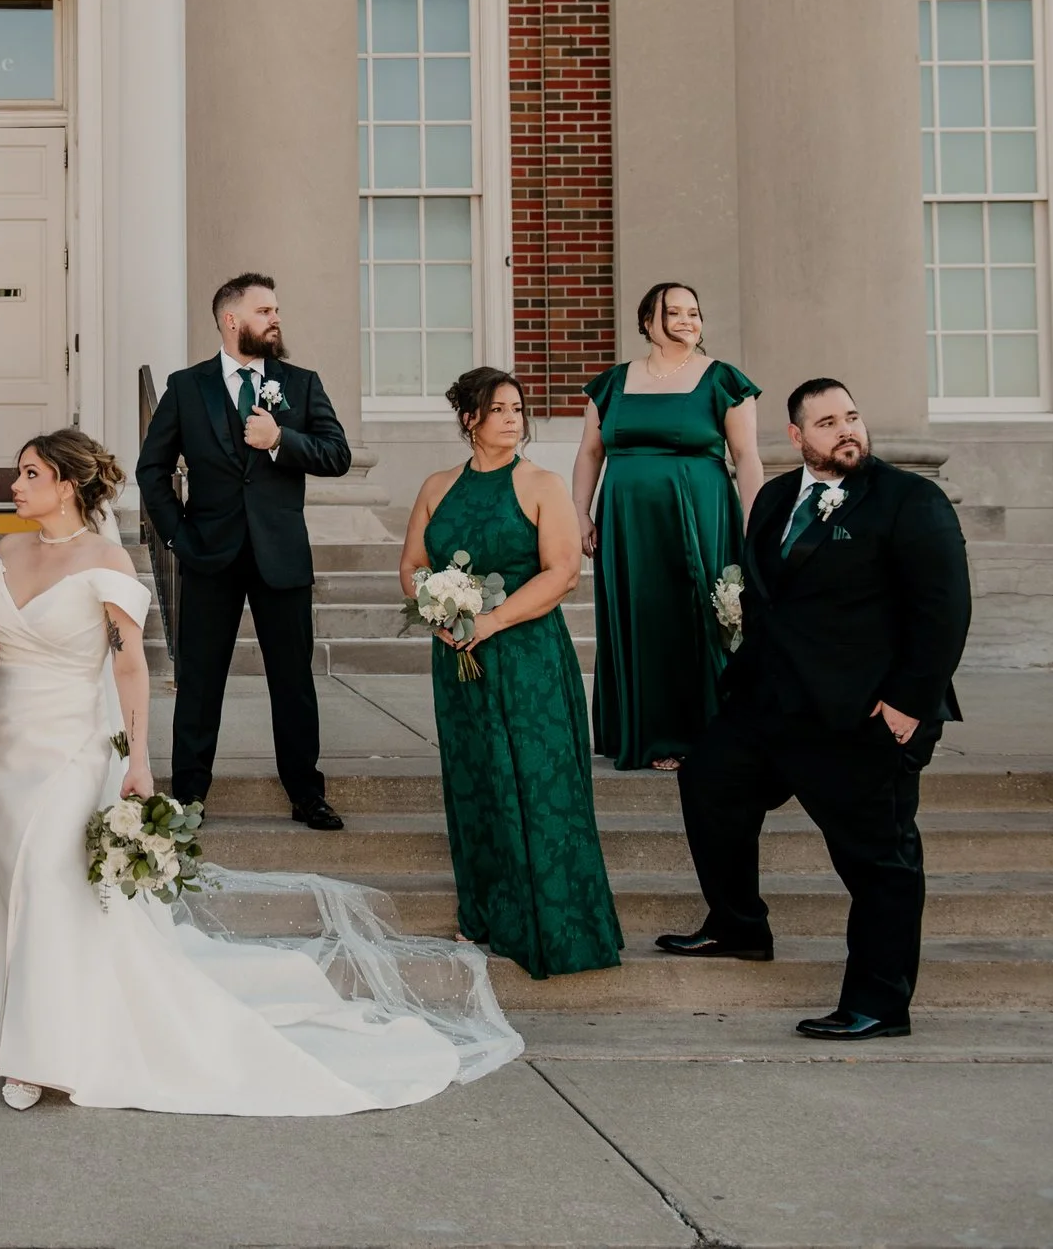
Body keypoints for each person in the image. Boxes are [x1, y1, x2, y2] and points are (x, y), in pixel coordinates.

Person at [0, 430, 521, 1115]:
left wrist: (138, 760)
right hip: (9, 750)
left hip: (71, 749)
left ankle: (42, 1050)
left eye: (29, 472)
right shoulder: (6, 554)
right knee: (9, 877)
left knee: (47, 879)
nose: (15, 484)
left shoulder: (107, 560)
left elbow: (130, 666)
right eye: (19, 471)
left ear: (68, 484)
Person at [660, 378, 969, 1041]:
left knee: (879, 861)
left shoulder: (911, 500)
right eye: (827, 422)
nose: (847, 430)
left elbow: (943, 610)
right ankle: (737, 925)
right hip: (773, 705)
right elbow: (769, 599)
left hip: (865, 715)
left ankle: (880, 1003)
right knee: (709, 780)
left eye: (853, 416)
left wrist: (908, 705)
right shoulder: (773, 498)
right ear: (797, 436)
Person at [401, 367, 623, 979]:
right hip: (458, 662)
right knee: (476, 783)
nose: (512, 418)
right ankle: (486, 914)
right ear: (468, 419)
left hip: (528, 660)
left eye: (518, 409)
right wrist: (439, 610)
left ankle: (557, 929)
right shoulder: (436, 487)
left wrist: (489, 622)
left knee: (540, 787)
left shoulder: (542, 484)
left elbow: (562, 573)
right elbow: (415, 565)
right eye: (498, 409)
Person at [134, 274, 352, 829]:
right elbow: (151, 470)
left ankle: (306, 793)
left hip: (281, 556)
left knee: (293, 682)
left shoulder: (300, 384)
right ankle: (189, 796)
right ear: (232, 320)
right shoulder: (187, 387)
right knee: (201, 681)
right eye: (264, 310)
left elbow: (336, 455)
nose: (275, 318)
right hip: (209, 554)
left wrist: (281, 440)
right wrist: (177, 536)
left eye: (276, 308)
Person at [573, 282, 764, 771]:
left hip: (699, 512)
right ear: (646, 320)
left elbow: (746, 457)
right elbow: (590, 452)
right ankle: (640, 731)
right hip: (627, 521)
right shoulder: (613, 383)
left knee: (695, 616)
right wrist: (580, 511)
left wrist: (757, 524)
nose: (686, 321)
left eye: (694, 312)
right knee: (640, 615)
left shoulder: (723, 380)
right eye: (673, 312)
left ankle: (697, 734)